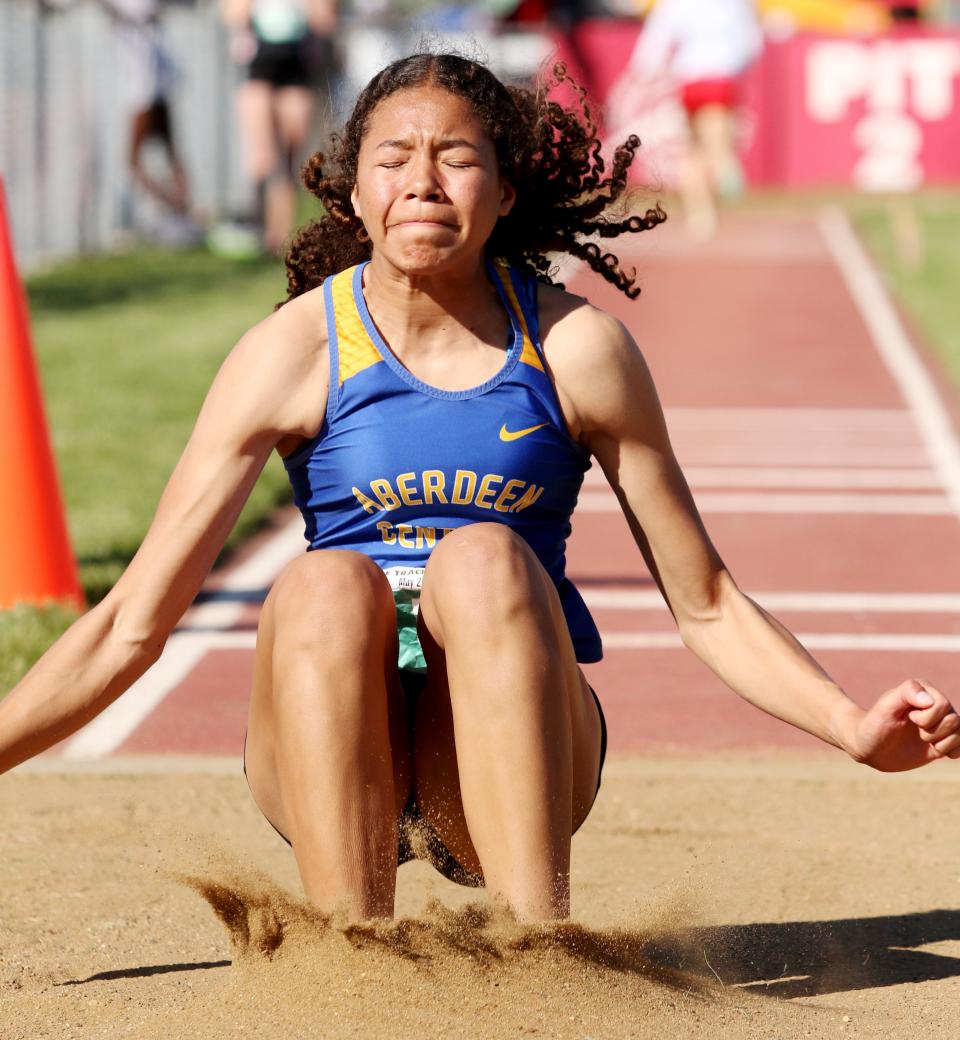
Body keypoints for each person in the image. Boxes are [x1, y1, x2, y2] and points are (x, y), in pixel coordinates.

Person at [0, 53, 957, 925]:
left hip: (513, 744)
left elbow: (704, 604)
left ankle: (542, 952)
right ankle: (354, 955)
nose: (422, 181)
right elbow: (132, 624)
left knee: (484, 558)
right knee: (323, 584)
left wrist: (849, 725)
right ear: (353, 190)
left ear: (504, 190)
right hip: (335, 742)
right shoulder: (291, 351)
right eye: (394, 158)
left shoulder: (575, 348)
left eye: (455, 157)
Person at [626, 0, 763, 239]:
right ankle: (723, 165)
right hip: (718, 76)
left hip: (692, 76)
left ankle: (701, 212)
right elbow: (751, 43)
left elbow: (656, 38)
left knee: (693, 147)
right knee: (709, 139)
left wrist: (645, 69)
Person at [219, 0, 336, 255]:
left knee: (290, 157)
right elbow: (233, 16)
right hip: (260, 68)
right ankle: (255, 226)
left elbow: (325, 21)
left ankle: (280, 239)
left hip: (297, 68)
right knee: (263, 157)